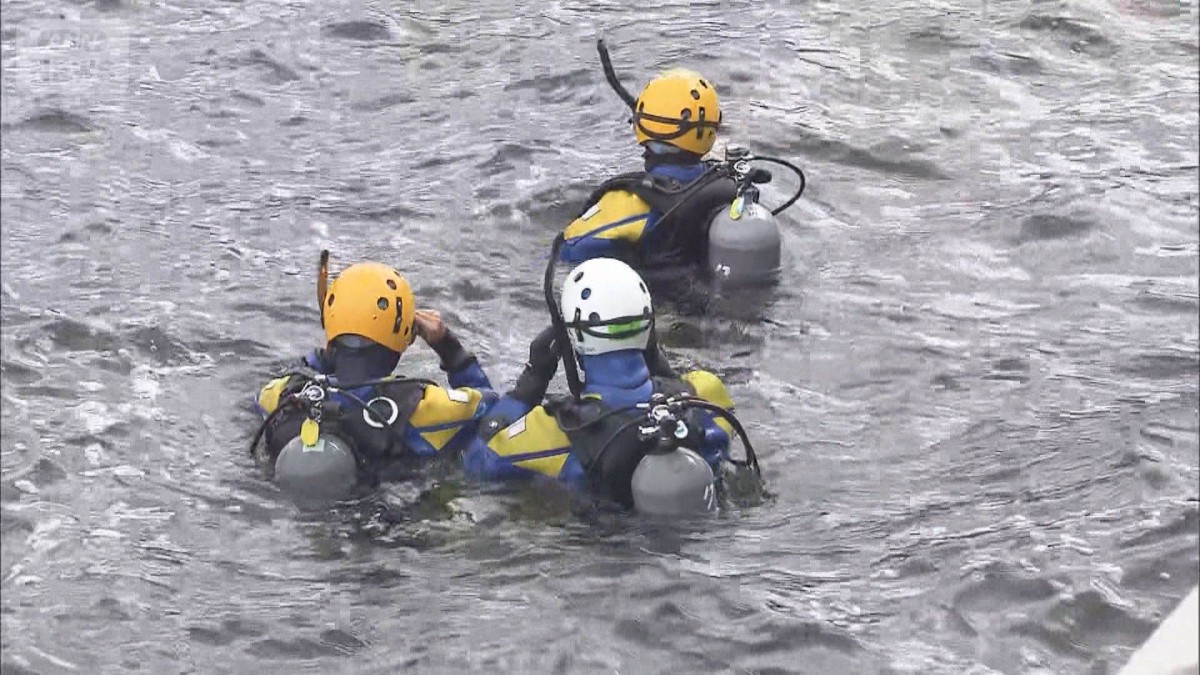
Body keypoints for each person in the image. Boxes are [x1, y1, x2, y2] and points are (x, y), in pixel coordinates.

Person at [462, 257, 748, 514]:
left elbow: (476, 463)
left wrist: (530, 383)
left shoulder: (555, 430)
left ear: (574, 338)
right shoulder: (705, 393)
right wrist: (659, 365)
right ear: (648, 329)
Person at [251, 257, 498, 504]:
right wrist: (447, 345)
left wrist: (330, 353)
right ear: (405, 334)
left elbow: (293, 371)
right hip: (389, 530)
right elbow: (491, 408)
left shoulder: (281, 395)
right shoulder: (424, 408)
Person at [558, 66, 740, 291]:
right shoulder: (724, 184)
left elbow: (569, 248)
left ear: (642, 125)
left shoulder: (633, 204)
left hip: (658, 311)